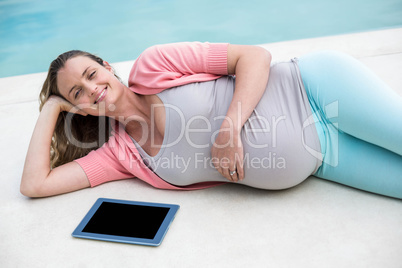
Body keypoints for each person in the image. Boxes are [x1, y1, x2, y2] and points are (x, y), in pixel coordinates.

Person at [20, 42, 402, 199]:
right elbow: (36, 184)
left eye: (90, 75)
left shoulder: (154, 65)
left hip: (316, 89)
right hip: (322, 159)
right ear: (78, 110)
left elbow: (254, 57)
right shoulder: (121, 154)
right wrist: (52, 106)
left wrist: (229, 129)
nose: (92, 90)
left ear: (105, 66)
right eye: (76, 94)